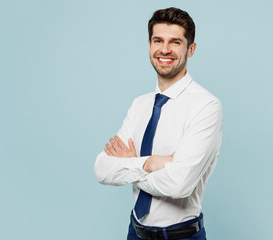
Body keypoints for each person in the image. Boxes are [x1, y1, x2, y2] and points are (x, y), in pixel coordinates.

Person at [94, 7, 222, 240]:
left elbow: (179, 185)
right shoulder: (139, 105)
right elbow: (102, 169)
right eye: (158, 40)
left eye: (175, 42)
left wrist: (130, 165)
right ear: (150, 46)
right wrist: (150, 163)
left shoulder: (206, 106)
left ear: (190, 49)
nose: (165, 49)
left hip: (180, 236)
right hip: (135, 232)